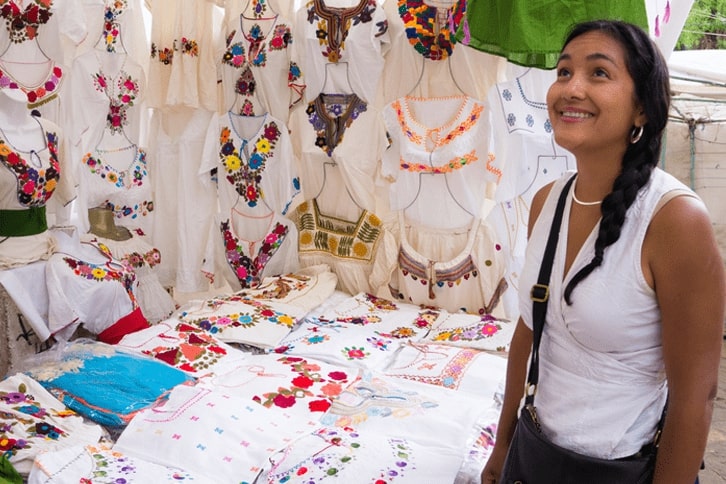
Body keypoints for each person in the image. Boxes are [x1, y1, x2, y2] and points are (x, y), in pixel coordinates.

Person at [481, 20, 725, 484]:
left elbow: (697, 396)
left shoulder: (674, 221)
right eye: (563, 71)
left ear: (641, 110)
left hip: (619, 468)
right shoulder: (547, 202)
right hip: (537, 456)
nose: (571, 88)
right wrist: (504, 442)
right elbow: (529, 333)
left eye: (598, 73)